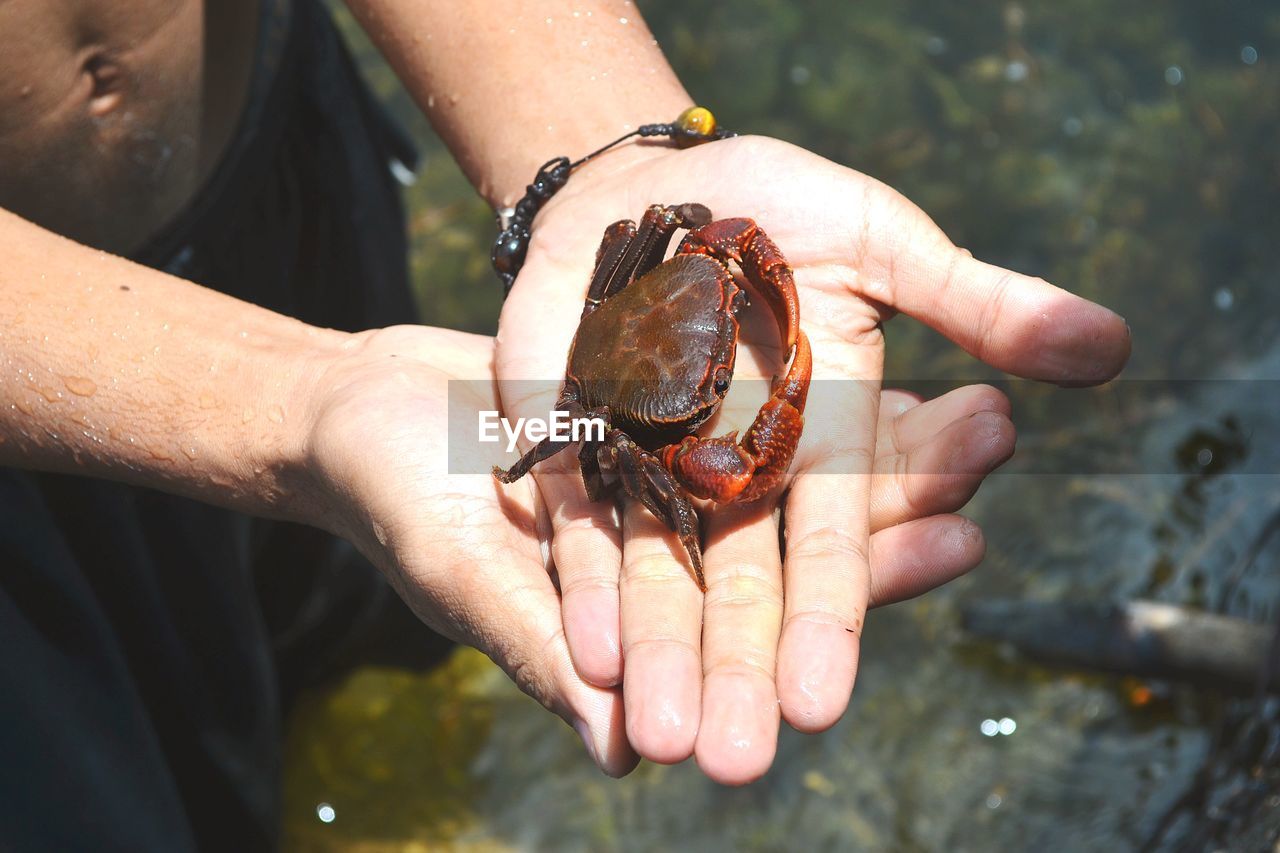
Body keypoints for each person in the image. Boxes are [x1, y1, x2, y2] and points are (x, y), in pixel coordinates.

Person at [0, 0, 1130, 848]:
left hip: (261, 146)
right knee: (158, 787)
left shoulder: (669, 263)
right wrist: (308, 407)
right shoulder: (612, 433)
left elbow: (696, 225)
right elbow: (662, 462)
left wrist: (603, 151)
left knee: (344, 621)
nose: (722, 321)